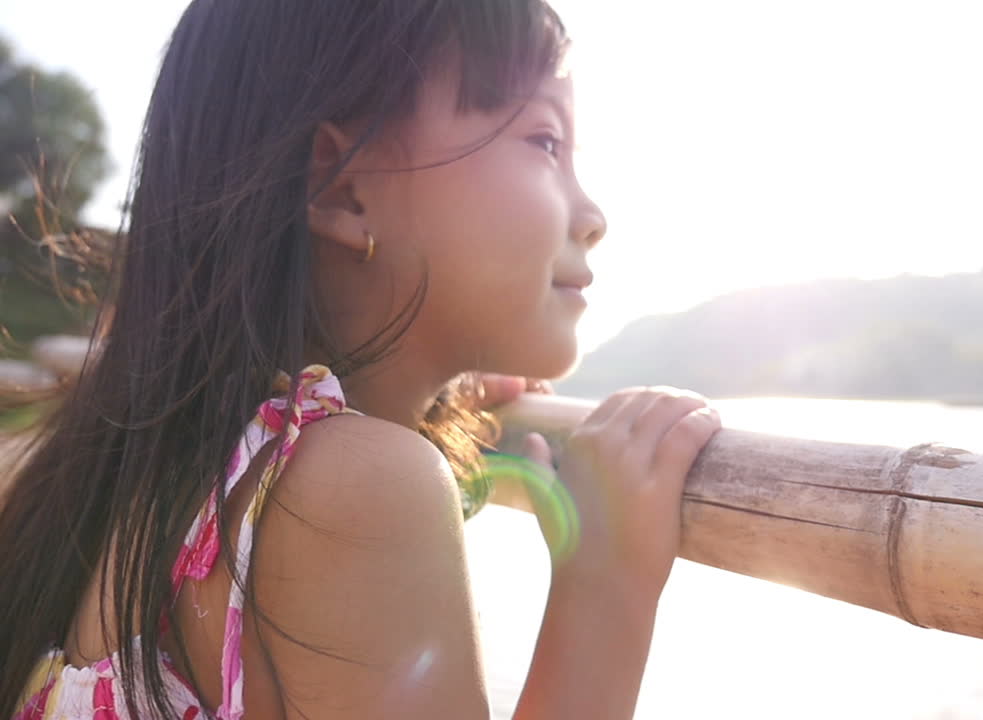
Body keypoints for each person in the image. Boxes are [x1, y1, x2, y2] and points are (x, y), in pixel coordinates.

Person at [0, 1, 721, 718]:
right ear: (341, 186)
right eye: (545, 142)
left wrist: (439, 392)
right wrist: (606, 582)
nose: (594, 216)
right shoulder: (356, 493)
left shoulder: (84, 471)